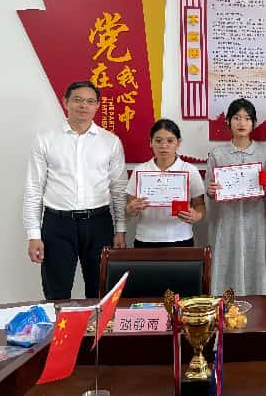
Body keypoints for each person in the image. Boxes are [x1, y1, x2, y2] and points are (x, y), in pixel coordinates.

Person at [23, 80, 127, 300]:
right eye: (78, 100)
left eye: (90, 101)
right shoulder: (45, 140)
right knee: (56, 292)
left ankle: (97, 325)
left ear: (97, 106)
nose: (83, 106)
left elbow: (118, 189)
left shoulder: (110, 142)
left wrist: (120, 230)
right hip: (57, 224)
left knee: (101, 290)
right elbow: (34, 189)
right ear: (66, 102)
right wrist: (33, 235)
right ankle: (59, 324)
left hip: (98, 223)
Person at [206, 99, 266, 295]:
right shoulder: (217, 154)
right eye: (237, 118)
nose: (242, 123)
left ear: (254, 123)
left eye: (247, 118)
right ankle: (226, 305)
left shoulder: (265, 155)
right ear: (228, 121)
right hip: (228, 220)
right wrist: (211, 191)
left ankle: (261, 307)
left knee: (257, 262)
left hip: (256, 220)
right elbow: (209, 191)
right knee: (227, 262)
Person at [126, 119, 205, 248]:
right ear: (150, 142)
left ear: (178, 143)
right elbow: (130, 208)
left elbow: (200, 204)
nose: (164, 145)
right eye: (158, 141)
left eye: (170, 141)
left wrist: (197, 216)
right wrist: (131, 209)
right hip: (145, 238)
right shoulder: (140, 170)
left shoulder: (190, 170)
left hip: (181, 238)